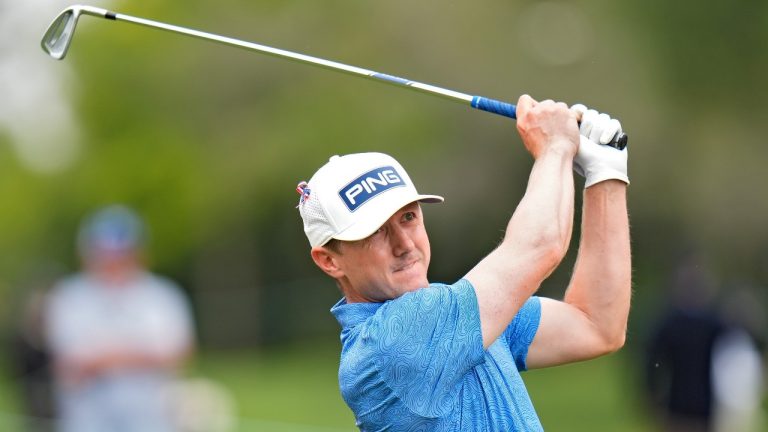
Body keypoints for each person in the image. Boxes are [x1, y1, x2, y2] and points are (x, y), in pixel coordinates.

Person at [295, 94, 631, 430]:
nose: (405, 244)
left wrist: (606, 174)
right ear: (329, 261)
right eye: (376, 232)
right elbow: (539, 246)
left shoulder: (461, 318)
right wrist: (556, 146)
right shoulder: (390, 343)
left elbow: (596, 325)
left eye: (409, 217)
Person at [45, 205, 195, 432]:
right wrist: (140, 356)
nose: (113, 263)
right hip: (87, 421)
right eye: (105, 255)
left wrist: (105, 358)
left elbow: (177, 355)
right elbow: (70, 362)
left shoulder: (162, 296)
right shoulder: (70, 297)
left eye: (121, 255)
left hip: (151, 420)